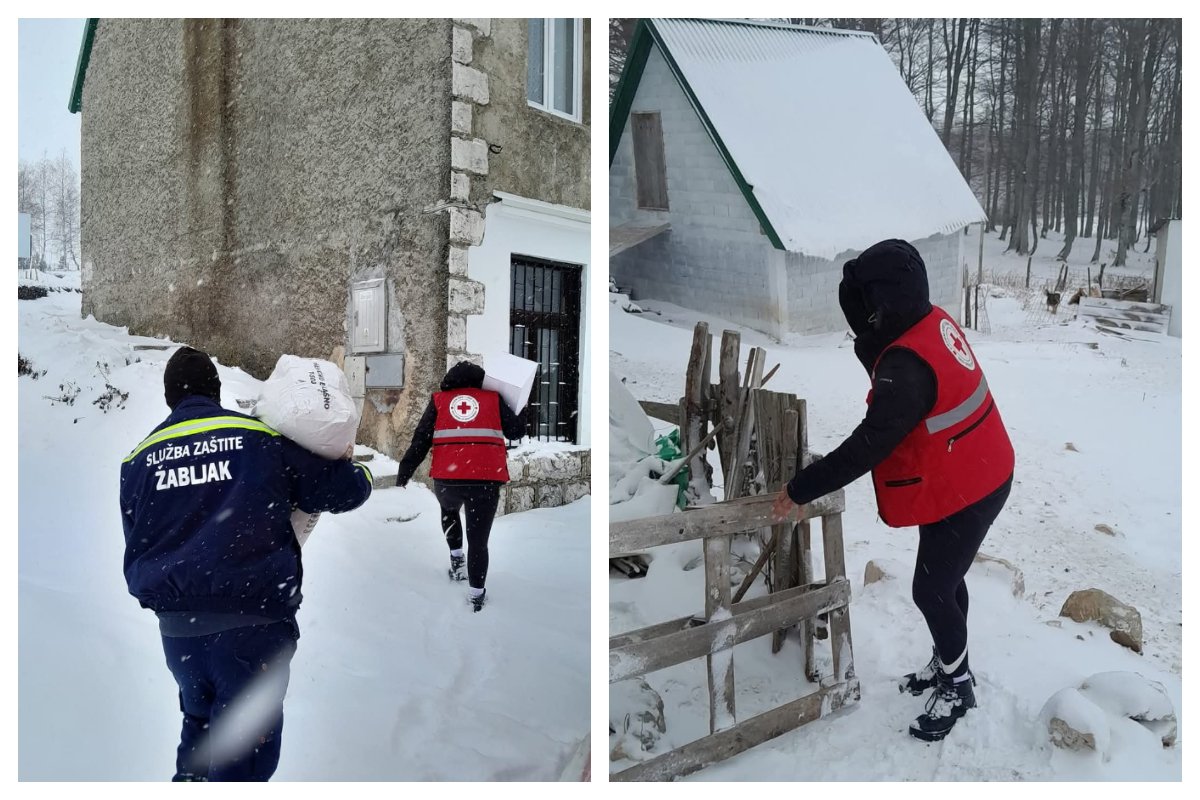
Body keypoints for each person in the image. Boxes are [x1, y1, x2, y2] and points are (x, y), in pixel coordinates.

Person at [771, 239, 1014, 742]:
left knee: (931, 588)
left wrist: (799, 490)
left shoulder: (906, 369)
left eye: (869, 304)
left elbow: (867, 447)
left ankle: (959, 684)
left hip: (974, 482)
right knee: (945, 579)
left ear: (886, 301)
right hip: (968, 465)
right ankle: (948, 661)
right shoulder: (927, 321)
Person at [119, 346, 373, 781]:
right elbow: (337, 490)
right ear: (216, 391)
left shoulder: (139, 459)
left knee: (199, 742)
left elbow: (141, 540)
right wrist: (362, 475)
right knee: (243, 766)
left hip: (179, 638)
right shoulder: (257, 439)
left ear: (168, 398)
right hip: (250, 631)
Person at [395, 360, 525, 612]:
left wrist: (405, 470)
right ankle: (477, 595)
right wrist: (521, 408)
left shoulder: (439, 400)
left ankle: (456, 560)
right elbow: (516, 432)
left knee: (450, 512)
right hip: (486, 480)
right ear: (481, 380)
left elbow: (421, 439)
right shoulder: (493, 399)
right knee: (479, 541)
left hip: (448, 479)